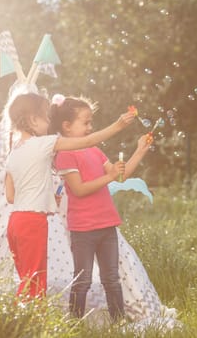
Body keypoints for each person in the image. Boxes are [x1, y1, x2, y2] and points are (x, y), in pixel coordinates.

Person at [4, 92, 135, 299]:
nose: (49, 122)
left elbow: (11, 196)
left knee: (26, 279)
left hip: (15, 222)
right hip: (32, 222)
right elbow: (87, 141)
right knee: (35, 283)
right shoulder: (44, 143)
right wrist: (118, 126)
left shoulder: (13, 151)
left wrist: (46, 197)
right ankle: (29, 328)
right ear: (32, 120)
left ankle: (23, 323)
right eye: (46, 117)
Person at [48, 94, 152, 320]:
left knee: (112, 279)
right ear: (66, 126)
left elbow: (120, 177)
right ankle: (74, 325)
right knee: (82, 280)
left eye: (90, 122)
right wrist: (110, 176)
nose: (90, 127)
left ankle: (118, 324)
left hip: (107, 225)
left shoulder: (95, 150)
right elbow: (79, 189)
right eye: (85, 122)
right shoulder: (64, 155)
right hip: (83, 230)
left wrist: (140, 150)